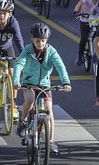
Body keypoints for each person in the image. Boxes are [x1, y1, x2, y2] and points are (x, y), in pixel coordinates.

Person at [14, 23, 72, 155]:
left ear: (47, 40)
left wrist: (66, 82)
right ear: (32, 39)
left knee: (49, 110)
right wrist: (16, 81)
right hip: (28, 83)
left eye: (43, 41)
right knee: (30, 100)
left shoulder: (52, 51)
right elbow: (18, 65)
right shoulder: (27, 51)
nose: (40, 44)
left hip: (45, 85)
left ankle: (51, 141)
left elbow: (60, 66)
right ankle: (22, 121)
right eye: (37, 41)